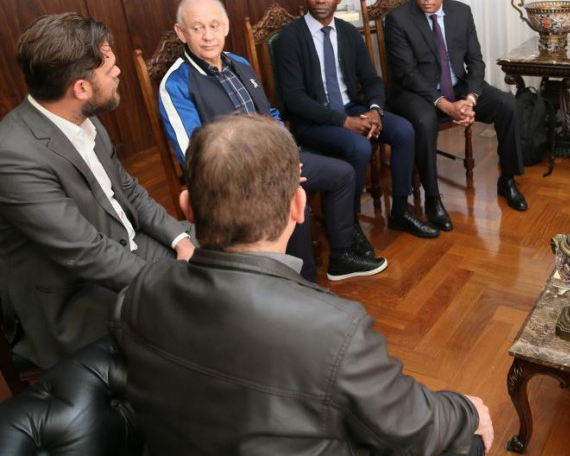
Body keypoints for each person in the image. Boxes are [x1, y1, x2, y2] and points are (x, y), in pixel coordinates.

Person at [110, 115, 492, 455]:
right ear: (299, 205)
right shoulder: (336, 328)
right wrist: (467, 409)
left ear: (186, 207)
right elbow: (413, 430)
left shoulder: (141, 289)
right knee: (474, 437)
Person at [0, 13, 193, 369]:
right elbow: (86, 252)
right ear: (81, 89)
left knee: (231, 253)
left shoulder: (82, 118)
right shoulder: (12, 156)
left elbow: (129, 192)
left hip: (126, 247)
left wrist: (181, 241)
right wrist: (170, 283)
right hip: (76, 294)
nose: (118, 72)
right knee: (197, 327)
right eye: (110, 69)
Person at [159, 0, 386, 282]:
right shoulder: (176, 83)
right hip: (233, 178)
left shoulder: (239, 63)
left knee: (342, 174)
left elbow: (270, 114)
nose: (207, 36)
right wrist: (274, 174)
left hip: (276, 158)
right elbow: (195, 155)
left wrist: (288, 156)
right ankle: (302, 282)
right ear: (181, 32)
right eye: (197, 27)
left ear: (226, 27)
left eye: (214, 26)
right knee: (291, 196)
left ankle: (341, 257)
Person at [276, 0, 438, 239]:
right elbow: (294, 98)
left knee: (404, 131)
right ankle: (347, 226)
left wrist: (374, 110)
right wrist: (342, 122)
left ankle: (400, 209)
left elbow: (372, 80)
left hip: (352, 109)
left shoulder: (349, 33)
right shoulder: (290, 38)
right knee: (358, 146)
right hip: (314, 121)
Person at [385, 0, 526, 231]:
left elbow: (476, 61)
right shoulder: (398, 19)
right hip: (414, 91)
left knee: (507, 104)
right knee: (425, 121)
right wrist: (445, 105)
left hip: (458, 88)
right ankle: (433, 199)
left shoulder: (461, 12)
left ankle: (507, 179)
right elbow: (407, 73)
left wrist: (470, 99)